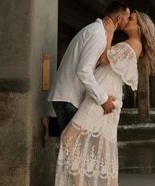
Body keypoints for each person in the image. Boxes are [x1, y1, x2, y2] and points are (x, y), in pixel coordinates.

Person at [52, 10, 155, 186]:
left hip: (102, 97)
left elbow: (102, 58)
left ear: (139, 27)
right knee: (101, 145)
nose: (127, 20)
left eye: (132, 19)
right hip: (104, 94)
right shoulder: (132, 46)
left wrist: (109, 31)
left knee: (70, 139)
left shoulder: (129, 46)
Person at [45, 1, 130, 143]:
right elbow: (84, 71)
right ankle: (50, 125)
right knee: (74, 147)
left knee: (76, 142)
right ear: (119, 19)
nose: (128, 21)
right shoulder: (98, 34)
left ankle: (50, 125)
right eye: (127, 18)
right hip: (69, 97)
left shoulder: (98, 31)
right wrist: (102, 99)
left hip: (68, 95)